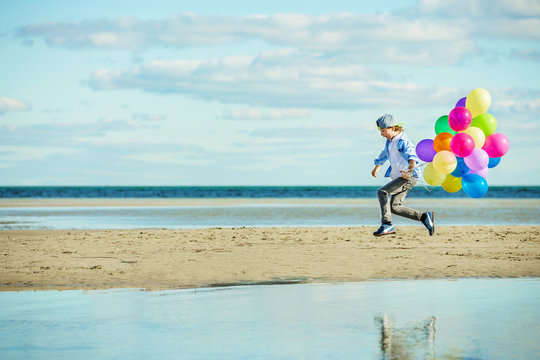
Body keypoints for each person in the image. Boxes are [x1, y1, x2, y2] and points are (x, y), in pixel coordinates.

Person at [371, 114, 434, 236]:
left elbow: (412, 157)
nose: (381, 134)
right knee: (395, 207)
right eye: (381, 131)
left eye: (384, 131)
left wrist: (409, 172)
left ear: (393, 128)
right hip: (401, 177)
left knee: (382, 192)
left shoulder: (402, 141)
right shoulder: (389, 142)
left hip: (408, 177)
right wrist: (377, 167)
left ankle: (387, 224)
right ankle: (424, 217)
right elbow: (384, 154)